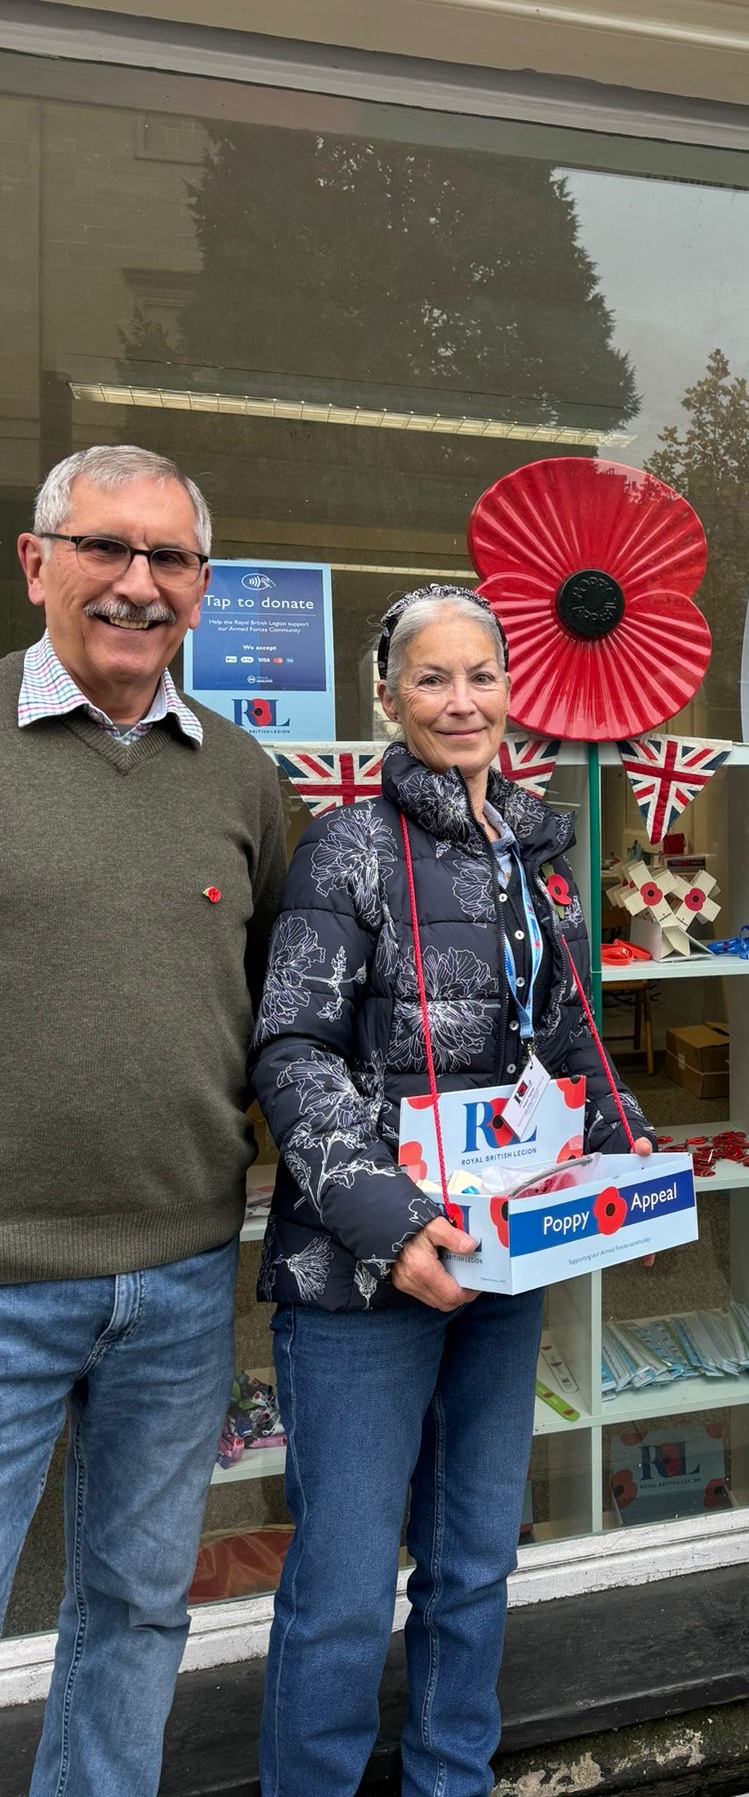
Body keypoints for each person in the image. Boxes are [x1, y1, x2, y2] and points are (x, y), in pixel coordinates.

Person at [251, 583, 653, 1797]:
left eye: (481, 674)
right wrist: (386, 1216)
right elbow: (292, 1051)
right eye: (432, 677)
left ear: (510, 690)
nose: (462, 699)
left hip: (501, 1256)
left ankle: (450, 1782)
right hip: (365, 1272)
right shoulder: (347, 849)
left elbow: (570, 1040)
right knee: (343, 1580)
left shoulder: (537, 850)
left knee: (475, 1560)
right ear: (387, 697)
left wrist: (628, 1172)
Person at [0, 445, 287, 1797]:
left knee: (135, 1610)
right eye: (106, 548)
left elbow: (293, 1010)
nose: (135, 583)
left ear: (204, 588)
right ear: (36, 560)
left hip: (180, 1280)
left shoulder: (241, 779)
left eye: (168, 559)